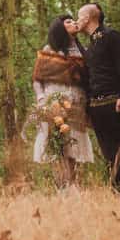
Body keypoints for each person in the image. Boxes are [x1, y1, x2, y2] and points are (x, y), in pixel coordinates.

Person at [77, 2, 120, 187]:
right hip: (97, 108)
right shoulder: (92, 45)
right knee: (109, 153)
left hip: (116, 103)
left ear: (87, 18)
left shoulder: (112, 36)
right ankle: (119, 192)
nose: (77, 21)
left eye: (79, 17)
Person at [31, 14, 94, 184]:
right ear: (59, 27)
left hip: (76, 105)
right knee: (57, 146)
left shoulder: (83, 51)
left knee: (74, 147)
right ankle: (62, 188)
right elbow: (37, 79)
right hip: (54, 104)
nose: (73, 22)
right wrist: (41, 98)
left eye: (74, 20)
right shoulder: (50, 49)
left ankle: (74, 188)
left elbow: (89, 80)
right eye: (68, 21)